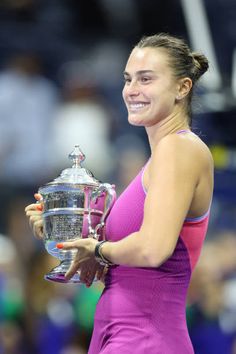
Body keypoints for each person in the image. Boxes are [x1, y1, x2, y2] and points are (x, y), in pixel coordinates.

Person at [25, 33, 214, 353]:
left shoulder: (178, 149)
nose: (132, 90)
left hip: (145, 339)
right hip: (124, 335)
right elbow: (134, 275)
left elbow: (153, 250)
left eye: (146, 79)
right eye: (128, 79)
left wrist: (97, 249)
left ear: (183, 87)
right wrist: (69, 239)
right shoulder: (162, 157)